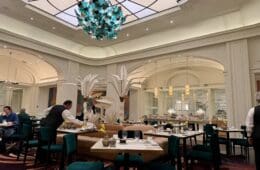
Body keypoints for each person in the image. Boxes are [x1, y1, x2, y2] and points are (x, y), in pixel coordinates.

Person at [246, 92, 260, 170]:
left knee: (258, 156)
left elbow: (249, 125)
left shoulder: (252, 110)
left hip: (257, 136)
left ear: (258, 100)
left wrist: (249, 136)